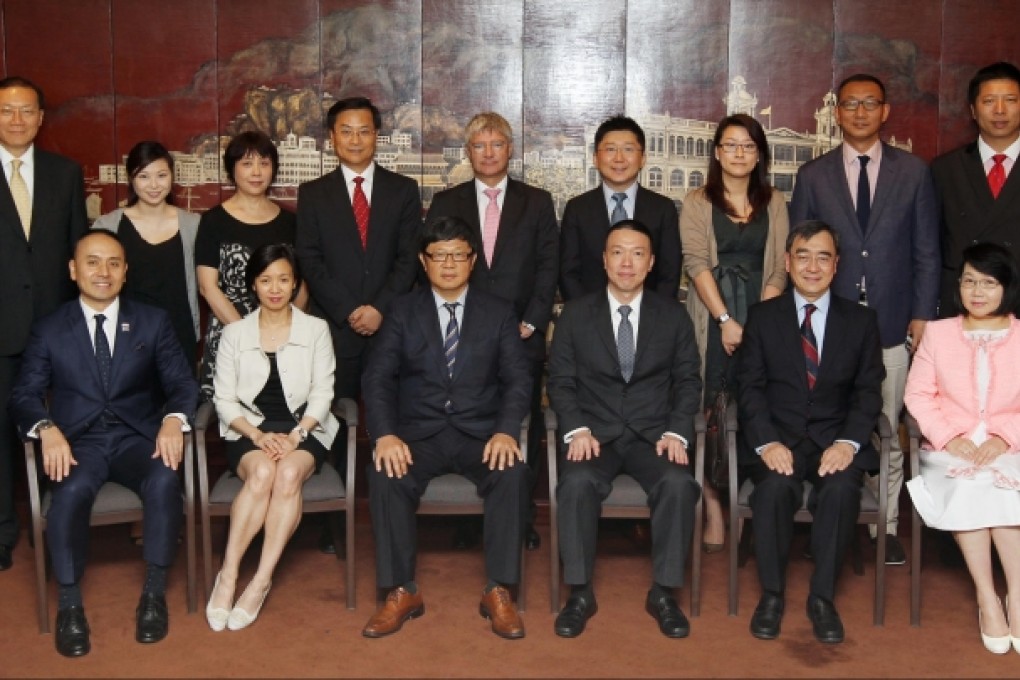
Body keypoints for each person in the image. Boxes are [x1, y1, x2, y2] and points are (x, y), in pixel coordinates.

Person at [8, 229, 198, 656]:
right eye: (92, 262)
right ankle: (70, 605)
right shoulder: (50, 328)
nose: (103, 272)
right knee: (70, 492)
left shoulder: (152, 320)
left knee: (166, 479)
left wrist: (172, 419)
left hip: (137, 437)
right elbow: (24, 393)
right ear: (74, 270)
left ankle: (153, 594)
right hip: (79, 441)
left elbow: (182, 383)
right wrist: (46, 427)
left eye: (113, 263)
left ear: (125, 272)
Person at [790, 73, 940, 566]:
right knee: (828, 422)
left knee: (887, 424)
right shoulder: (813, 176)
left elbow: (926, 252)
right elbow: (800, 251)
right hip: (828, 329)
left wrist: (921, 314)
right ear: (837, 113)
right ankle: (823, 515)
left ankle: (887, 527)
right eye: (850, 104)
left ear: (885, 111)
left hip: (892, 322)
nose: (859, 112)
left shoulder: (914, 173)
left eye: (869, 103)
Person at [360, 216, 532, 640]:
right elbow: (377, 378)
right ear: (424, 260)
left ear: (473, 261)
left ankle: (500, 589)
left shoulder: (498, 311)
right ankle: (400, 590)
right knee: (385, 473)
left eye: (459, 254)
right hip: (419, 435)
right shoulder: (401, 311)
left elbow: (518, 379)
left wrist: (507, 430)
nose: (450, 264)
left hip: (481, 434)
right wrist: (384, 434)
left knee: (512, 472)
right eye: (440, 255)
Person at [547, 220, 702, 639]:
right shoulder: (576, 314)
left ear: (651, 263)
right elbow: (560, 380)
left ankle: (665, 593)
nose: (627, 262)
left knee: (678, 484)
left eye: (637, 253)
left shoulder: (673, 316)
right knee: (575, 484)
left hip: (654, 434)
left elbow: (689, 380)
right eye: (617, 252)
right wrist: (575, 427)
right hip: (594, 435)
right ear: (603, 259)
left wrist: (677, 431)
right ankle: (579, 593)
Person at [738, 220, 884, 644]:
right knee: (774, 491)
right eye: (803, 256)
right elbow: (750, 389)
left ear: (836, 265)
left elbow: (868, 393)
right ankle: (772, 595)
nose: (813, 266)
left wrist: (848, 442)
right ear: (788, 262)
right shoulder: (763, 317)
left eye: (823, 257)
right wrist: (766, 442)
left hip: (834, 443)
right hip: (779, 440)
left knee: (840, 492)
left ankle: (822, 599)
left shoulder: (861, 321)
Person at [426, 111, 558, 551]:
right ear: (468, 152)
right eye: (479, 145)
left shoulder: (537, 202)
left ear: (510, 149)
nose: (488, 153)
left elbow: (547, 267)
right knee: (474, 418)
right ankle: (475, 514)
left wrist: (533, 320)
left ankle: (520, 517)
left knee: (523, 420)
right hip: (464, 340)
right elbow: (436, 267)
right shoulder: (446, 202)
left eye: (496, 144)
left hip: (522, 332)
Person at [295, 97, 421, 554]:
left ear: (377, 136)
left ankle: (399, 517)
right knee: (332, 425)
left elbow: (410, 258)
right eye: (345, 131)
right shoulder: (313, 194)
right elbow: (310, 259)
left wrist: (379, 309)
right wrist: (350, 309)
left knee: (395, 420)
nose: (355, 139)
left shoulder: (403, 190)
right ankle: (333, 526)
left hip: (391, 327)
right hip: (336, 328)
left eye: (364, 130)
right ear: (332, 138)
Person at [205, 243, 339, 632]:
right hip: (248, 430)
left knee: (287, 476)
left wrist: (296, 436)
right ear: (253, 285)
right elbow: (224, 398)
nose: (275, 288)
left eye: (284, 279)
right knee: (262, 474)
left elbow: (323, 393)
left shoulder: (316, 329)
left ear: (296, 284)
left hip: (306, 428)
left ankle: (260, 580)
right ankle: (228, 575)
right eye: (266, 280)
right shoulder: (235, 333)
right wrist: (259, 435)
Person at [682, 113, 789, 554]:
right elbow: (695, 263)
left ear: (759, 153)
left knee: (755, 405)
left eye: (748, 146)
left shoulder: (775, 201)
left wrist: (756, 325)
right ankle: (712, 507)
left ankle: (745, 502)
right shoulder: (697, 201)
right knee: (708, 409)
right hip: (711, 316)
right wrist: (726, 321)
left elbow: (781, 266)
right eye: (731, 145)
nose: (740, 153)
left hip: (761, 315)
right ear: (717, 152)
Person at [905, 243, 1020, 655]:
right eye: (969, 280)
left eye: (988, 283)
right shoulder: (938, 333)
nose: (977, 291)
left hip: (1012, 446)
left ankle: (1018, 597)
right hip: (949, 447)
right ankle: (988, 597)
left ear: (1005, 288)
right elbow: (918, 395)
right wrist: (950, 436)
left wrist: (1002, 437)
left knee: (1007, 487)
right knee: (971, 487)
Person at [0, 76, 87, 572]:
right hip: (1, 330)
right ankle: (3, 529)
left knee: (64, 425)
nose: (17, 120)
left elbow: (78, 250)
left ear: (40, 118)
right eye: (8, 111)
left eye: (26, 111)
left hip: (56, 327)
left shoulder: (63, 173)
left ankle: (58, 522)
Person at [196, 130, 305, 400]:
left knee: (284, 411)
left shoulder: (291, 223)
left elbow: (302, 284)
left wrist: (287, 331)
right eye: (246, 163)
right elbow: (208, 287)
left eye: (264, 163)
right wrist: (247, 336)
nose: (256, 172)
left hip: (286, 339)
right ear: (232, 170)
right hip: (231, 334)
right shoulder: (213, 221)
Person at [93, 141, 200, 364]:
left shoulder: (193, 225)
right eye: (143, 176)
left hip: (179, 336)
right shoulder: (108, 225)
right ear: (131, 179)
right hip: (123, 338)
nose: (154, 185)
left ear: (172, 176)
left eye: (161, 175)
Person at [559, 115, 681, 302]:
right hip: (589, 320)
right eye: (610, 149)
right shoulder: (577, 209)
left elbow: (670, 273)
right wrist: (585, 318)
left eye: (628, 149)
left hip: (650, 320)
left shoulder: (663, 208)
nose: (619, 158)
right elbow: (568, 273)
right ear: (595, 158)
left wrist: (654, 318)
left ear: (643, 159)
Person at [934, 62, 1020, 318]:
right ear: (973, 110)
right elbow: (932, 246)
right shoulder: (945, 169)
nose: (1000, 110)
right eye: (989, 101)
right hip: (961, 306)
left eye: (1010, 100)